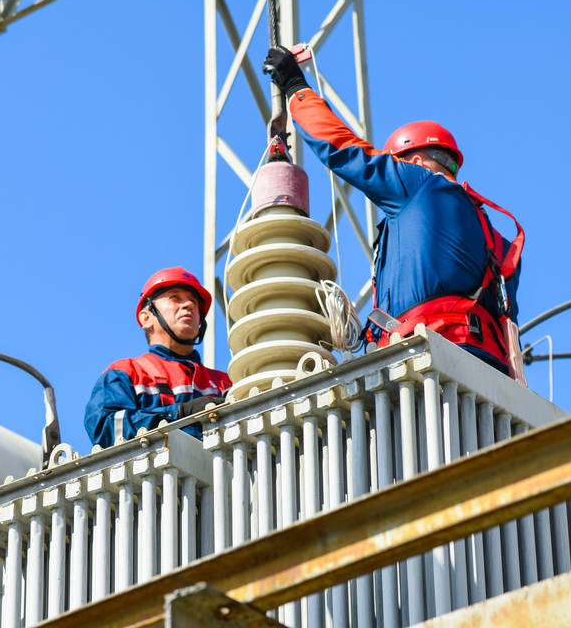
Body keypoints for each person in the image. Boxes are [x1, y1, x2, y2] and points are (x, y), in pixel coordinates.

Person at [262, 47, 524, 375]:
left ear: (415, 161)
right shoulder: (496, 241)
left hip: (426, 361)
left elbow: (344, 149)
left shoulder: (419, 184)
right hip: (486, 376)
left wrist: (295, 88)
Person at [84, 267, 231, 446]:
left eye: (194, 301)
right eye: (175, 298)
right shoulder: (126, 373)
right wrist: (180, 413)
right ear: (146, 318)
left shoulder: (226, 382)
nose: (189, 305)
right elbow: (105, 428)